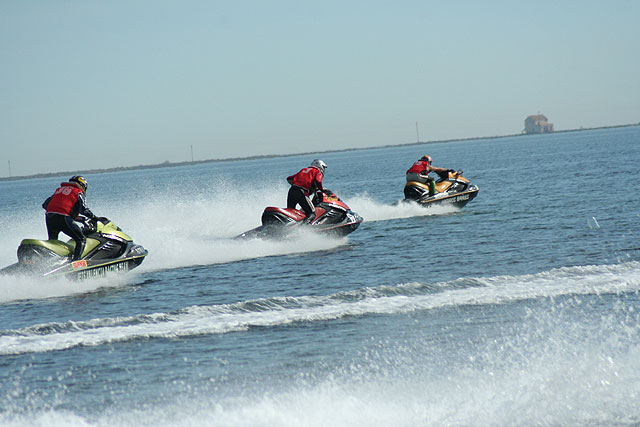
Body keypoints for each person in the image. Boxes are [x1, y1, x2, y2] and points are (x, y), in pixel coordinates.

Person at [42, 175, 97, 261]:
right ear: (83, 185)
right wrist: (95, 218)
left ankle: (47, 261)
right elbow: (84, 210)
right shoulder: (78, 192)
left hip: (49, 217)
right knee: (81, 239)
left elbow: (45, 205)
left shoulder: (59, 190)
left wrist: (79, 219)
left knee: (52, 242)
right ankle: (76, 262)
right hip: (63, 218)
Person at [286, 159, 327, 224]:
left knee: (290, 213)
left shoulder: (303, 170)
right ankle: (304, 228)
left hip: (291, 191)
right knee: (312, 213)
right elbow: (318, 181)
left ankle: (287, 227)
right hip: (301, 192)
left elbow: (289, 178)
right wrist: (322, 189)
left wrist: (298, 184)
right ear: (320, 166)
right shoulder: (317, 171)